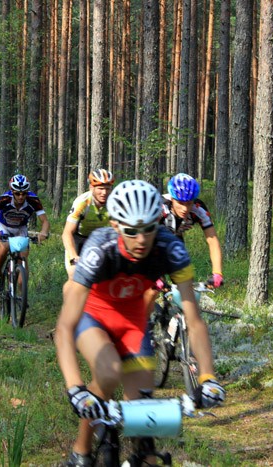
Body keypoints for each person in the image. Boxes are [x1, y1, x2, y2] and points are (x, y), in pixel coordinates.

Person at [54, 180, 226, 467]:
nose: (142, 239)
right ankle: (81, 452)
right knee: (108, 373)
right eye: (132, 231)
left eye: (149, 228)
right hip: (93, 314)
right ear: (115, 224)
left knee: (144, 416)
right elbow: (64, 327)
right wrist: (75, 388)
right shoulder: (100, 247)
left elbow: (193, 320)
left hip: (132, 320)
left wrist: (208, 377)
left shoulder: (169, 248)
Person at [0, 174, 50, 293]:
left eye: (24, 193)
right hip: (4, 226)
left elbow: (44, 221)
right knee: (4, 248)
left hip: (20, 228)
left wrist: (43, 233)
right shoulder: (4, 199)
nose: (21, 196)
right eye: (17, 193)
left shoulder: (33, 200)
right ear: (12, 192)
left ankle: (21, 295)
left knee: (23, 256)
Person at [162, 173, 224, 288]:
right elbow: (144, 238)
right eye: (180, 203)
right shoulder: (160, 207)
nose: (185, 209)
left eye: (189, 203)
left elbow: (213, 241)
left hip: (175, 241)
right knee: (153, 288)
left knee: (186, 286)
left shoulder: (199, 209)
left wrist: (217, 273)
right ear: (171, 198)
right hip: (152, 243)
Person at [62, 169, 115, 279]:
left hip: (99, 239)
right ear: (91, 188)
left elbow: (120, 229)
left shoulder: (114, 203)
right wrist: (73, 257)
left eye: (107, 189)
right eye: (100, 188)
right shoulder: (82, 202)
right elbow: (67, 233)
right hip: (78, 239)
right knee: (74, 275)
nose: (104, 193)